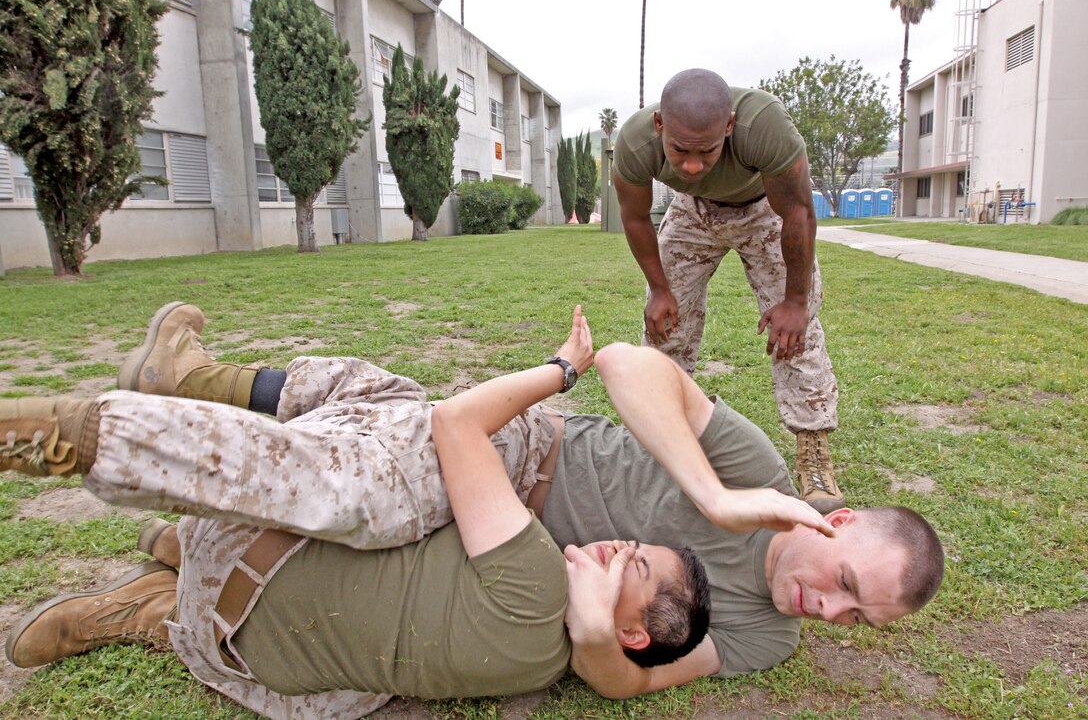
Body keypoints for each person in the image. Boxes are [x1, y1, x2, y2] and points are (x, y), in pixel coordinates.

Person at [45, 301, 940, 702]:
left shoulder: (770, 635)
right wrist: (719, 494)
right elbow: (627, 363)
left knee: (338, 601)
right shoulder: (755, 465)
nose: (828, 608)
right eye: (847, 581)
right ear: (843, 520)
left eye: (855, 619)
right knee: (375, 455)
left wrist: (596, 637)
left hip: (494, 572)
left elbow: (634, 677)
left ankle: (155, 602)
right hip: (522, 463)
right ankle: (176, 399)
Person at [0, 306, 714, 719]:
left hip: (244, 533)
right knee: (369, 669)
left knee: (397, 415)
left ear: (628, 629)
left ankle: (114, 429)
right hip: (230, 653)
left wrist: (561, 369)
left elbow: (455, 423)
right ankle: (144, 606)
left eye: (635, 562)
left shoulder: (536, 584)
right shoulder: (540, 667)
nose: (617, 543)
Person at [612, 67, 842, 512]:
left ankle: (813, 451)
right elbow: (636, 217)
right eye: (679, 150)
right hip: (692, 214)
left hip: (764, 209)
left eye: (708, 150)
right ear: (660, 126)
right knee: (665, 327)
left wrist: (795, 302)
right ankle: (659, 440)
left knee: (798, 330)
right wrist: (659, 289)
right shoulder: (636, 142)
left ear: (730, 127)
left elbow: (797, 211)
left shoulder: (765, 125)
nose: (693, 165)